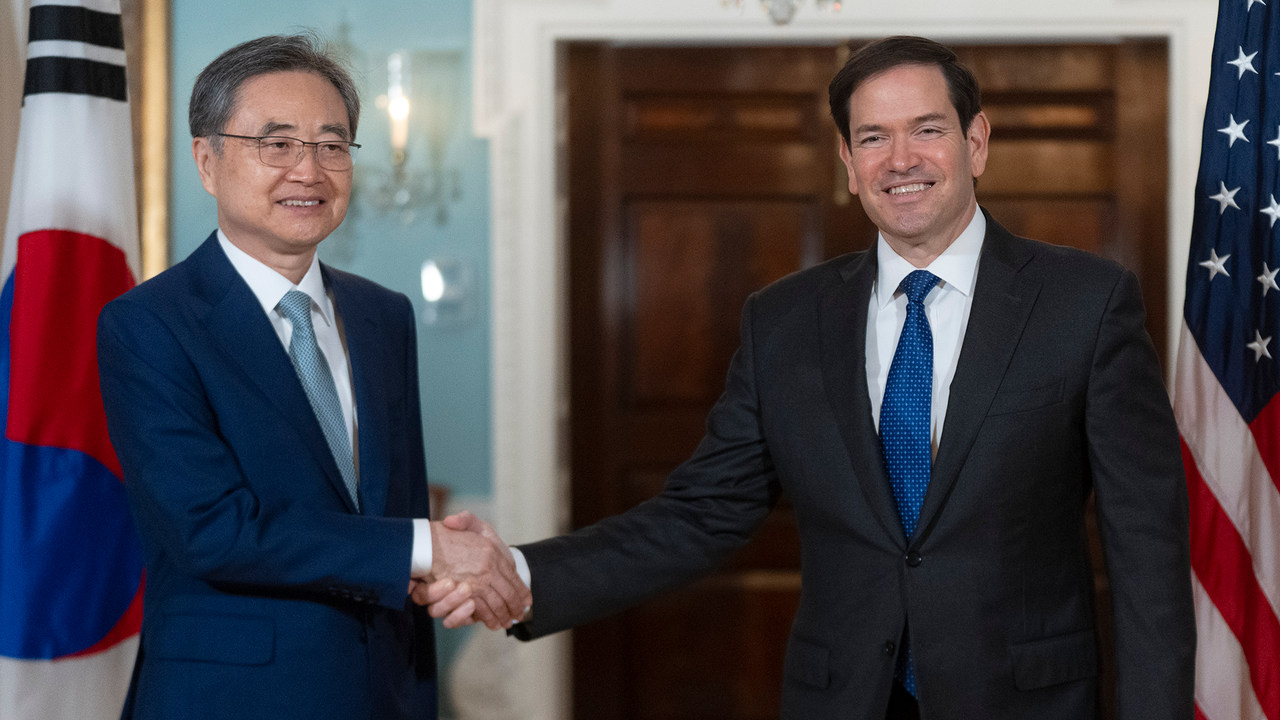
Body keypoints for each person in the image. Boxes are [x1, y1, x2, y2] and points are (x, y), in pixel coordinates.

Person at [425, 36, 1195, 719]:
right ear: (849, 164)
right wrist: (520, 572)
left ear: (976, 141)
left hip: (1026, 699)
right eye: (873, 137)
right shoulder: (784, 320)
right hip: (842, 696)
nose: (901, 159)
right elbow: (701, 513)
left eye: (927, 129)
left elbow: (1147, 550)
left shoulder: (1085, 304)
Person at [97, 34, 529, 720]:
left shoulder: (384, 315)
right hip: (229, 700)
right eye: (277, 144)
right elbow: (212, 530)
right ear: (207, 161)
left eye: (332, 145)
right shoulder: (148, 324)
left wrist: (436, 565)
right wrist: (427, 548)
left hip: (384, 691)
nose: (309, 170)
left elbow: (395, 514)